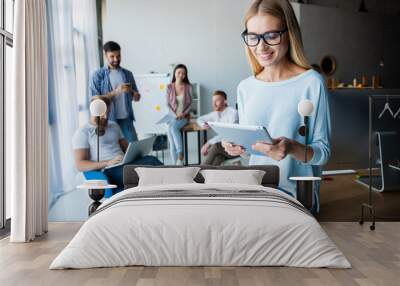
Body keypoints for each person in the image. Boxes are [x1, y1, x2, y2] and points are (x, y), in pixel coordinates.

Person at [223, 0, 331, 213]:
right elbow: (252, 152)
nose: (260, 47)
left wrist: (291, 147)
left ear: (289, 33)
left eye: (271, 36)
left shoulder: (312, 82)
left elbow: (323, 153)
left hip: (297, 198)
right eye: (253, 37)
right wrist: (238, 148)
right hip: (256, 193)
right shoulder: (245, 87)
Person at [72, 96, 162, 197]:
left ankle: (167, 188)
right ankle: (173, 183)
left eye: (108, 112)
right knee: (151, 163)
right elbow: (80, 164)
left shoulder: (113, 125)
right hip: (109, 170)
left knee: (150, 160)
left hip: (124, 164)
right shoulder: (83, 132)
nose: (106, 117)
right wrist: (107, 162)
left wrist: (138, 150)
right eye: (103, 113)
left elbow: (127, 148)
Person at [89, 41, 140, 142]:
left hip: (126, 119)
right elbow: (94, 99)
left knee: (134, 149)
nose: (116, 59)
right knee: (115, 152)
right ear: (105, 55)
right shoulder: (98, 75)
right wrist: (116, 92)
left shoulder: (128, 74)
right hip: (107, 120)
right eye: (112, 56)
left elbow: (136, 96)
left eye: (118, 56)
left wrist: (135, 94)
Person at [197, 90, 239, 165]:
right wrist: (203, 125)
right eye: (213, 101)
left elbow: (228, 134)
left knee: (216, 146)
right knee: (218, 158)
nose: (214, 104)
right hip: (224, 150)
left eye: (217, 101)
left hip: (235, 148)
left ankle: (198, 173)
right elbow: (199, 119)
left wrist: (208, 143)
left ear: (225, 101)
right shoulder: (215, 114)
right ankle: (204, 175)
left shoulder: (233, 113)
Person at [166, 64, 193, 165]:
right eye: (179, 72)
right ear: (175, 73)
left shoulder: (188, 87)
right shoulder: (169, 87)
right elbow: (167, 104)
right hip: (172, 117)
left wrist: (183, 114)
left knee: (172, 128)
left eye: (183, 73)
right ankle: (176, 165)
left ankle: (180, 153)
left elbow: (190, 104)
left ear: (185, 75)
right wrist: (174, 115)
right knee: (172, 142)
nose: (181, 75)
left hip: (184, 117)